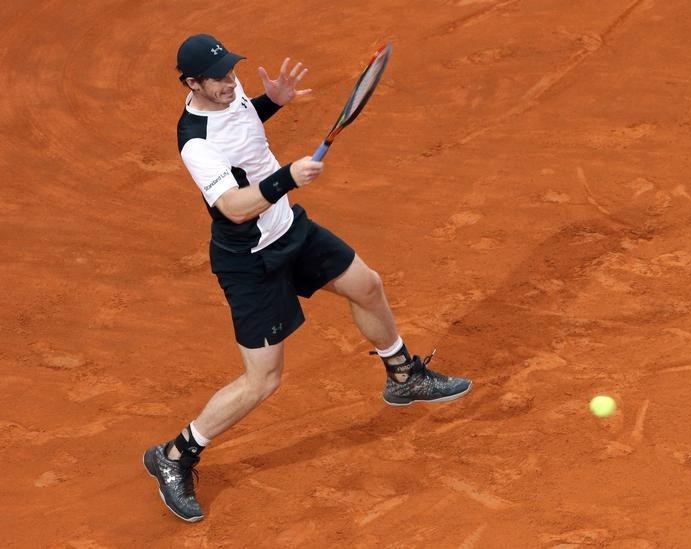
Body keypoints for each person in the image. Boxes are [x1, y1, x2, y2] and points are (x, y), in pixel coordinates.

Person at [143, 34, 472, 523]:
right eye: (219, 79)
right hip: (250, 259)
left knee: (366, 284)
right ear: (192, 84)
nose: (230, 82)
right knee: (263, 379)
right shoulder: (195, 142)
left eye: (232, 72)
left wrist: (268, 103)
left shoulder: (230, 98)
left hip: (289, 228)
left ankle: (403, 375)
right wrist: (287, 179)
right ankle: (175, 456)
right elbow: (233, 207)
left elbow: (241, 133)